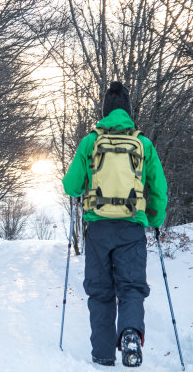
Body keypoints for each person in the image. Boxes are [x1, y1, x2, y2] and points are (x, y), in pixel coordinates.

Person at [62, 81, 168, 367]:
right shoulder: (143, 144)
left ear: (105, 110)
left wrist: (81, 186)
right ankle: (131, 334)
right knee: (131, 287)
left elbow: (71, 185)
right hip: (132, 228)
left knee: (100, 290)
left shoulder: (90, 142)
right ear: (129, 112)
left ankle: (103, 355)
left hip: (98, 229)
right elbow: (159, 188)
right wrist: (155, 220)